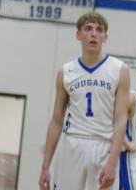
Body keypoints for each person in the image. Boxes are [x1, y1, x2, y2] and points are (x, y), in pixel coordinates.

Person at [39, 12, 130, 189]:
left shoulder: (120, 69)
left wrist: (112, 162)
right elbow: (57, 121)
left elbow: (121, 119)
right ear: (78, 35)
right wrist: (45, 166)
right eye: (88, 29)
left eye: (99, 30)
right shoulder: (66, 72)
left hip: (104, 144)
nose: (94, 34)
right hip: (73, 143)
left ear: (105, 37)